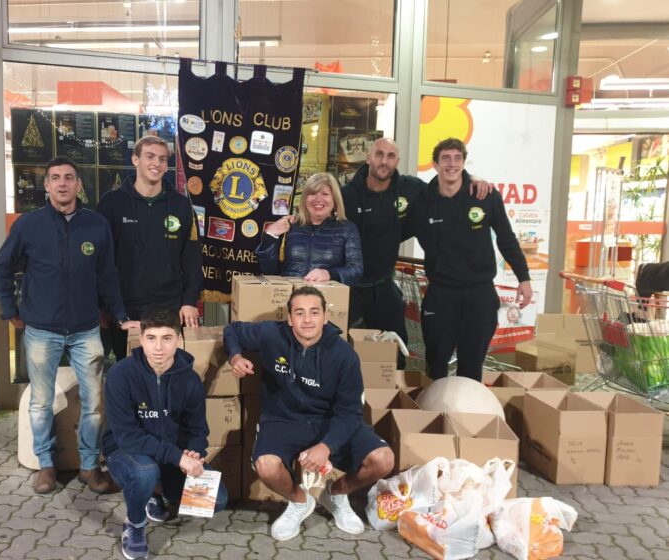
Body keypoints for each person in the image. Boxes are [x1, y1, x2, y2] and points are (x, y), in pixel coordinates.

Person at [0, 156, 139, 495]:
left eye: (69, 177)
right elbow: (2, 267)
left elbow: (108, 275)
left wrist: (118, 315)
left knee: (94, 402)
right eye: (55, 177)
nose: (62, 183)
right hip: (42, 330)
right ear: (46, 185)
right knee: (41, 401)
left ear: (78, 185)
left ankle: (89, 467)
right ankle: (46, 465)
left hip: (86, 330)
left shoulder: (96, 225)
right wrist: (9, 309)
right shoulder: (28, 225)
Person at [223, 286, 394, 541]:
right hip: (282, 418)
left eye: (314, 312)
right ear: (289, 318)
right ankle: (300, 501)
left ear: (325, 317)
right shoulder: (271, 334)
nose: (307, 320)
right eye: (299, 313)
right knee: (266, 466)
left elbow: (350, 413)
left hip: (330, 421)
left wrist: (327, 446)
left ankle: (336, 494)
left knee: (383, 459)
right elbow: (232, 330)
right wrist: (235, 357)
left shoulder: (344, 355)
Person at [341, 138, 492, 365]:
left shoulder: (410, 188)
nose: (384, 161)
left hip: (383, 286)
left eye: (391, 156)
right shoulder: (346, 195)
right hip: (350, 288)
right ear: (369, 157)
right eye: (379, 154)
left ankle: (393, 388)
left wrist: (471, 178)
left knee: (397, 353)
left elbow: (445, 185)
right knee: (340, 348)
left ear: (397, 161)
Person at [103, 307, 228, 559]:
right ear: (141, 339)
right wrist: (178, 457)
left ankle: (154, 492)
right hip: (125, 451)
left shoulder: (190, 380)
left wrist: (194, 452)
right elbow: (128, 437)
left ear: (179, 339)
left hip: (170, 454)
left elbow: (197, 429)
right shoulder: (121, 375)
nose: (158, 347)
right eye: (151, 338)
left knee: (217, 499)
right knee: (144, 472)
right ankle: (135, 523)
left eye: (167, 338)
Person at [404, 138, 532, 381]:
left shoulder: (485, 196)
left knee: (472, 365)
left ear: (464, 163)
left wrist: (523, 278)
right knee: (436, 363)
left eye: (457, 158)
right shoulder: (422, 202)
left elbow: (506, 239)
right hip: (441, 293)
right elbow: (393, 233)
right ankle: (436, 405)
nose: (451, 164)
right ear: (435, 165)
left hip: (479, 293)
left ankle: (467, 406)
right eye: (445, 158)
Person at [96, 136, 202, 360]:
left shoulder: (182, 206)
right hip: (125, 308)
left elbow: (192, 259)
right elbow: (100, 261)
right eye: (150, 156)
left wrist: (190, 301)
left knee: (168, 369)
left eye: (162, 159)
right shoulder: (111, 203)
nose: (157, 163)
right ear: (135, 160)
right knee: (129, 370)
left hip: (170, 307)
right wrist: (102, 306)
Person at [257, 172, 363, 286]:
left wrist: (329, 274)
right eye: (312, 193)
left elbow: (356, 270)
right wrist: (270, 237)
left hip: (326, 295)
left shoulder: (347, 229)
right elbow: (270, 272)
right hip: (290, 294)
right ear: (305, 198)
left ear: (335, 199)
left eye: (325, 194)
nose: (318, 199)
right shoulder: (291, 225)